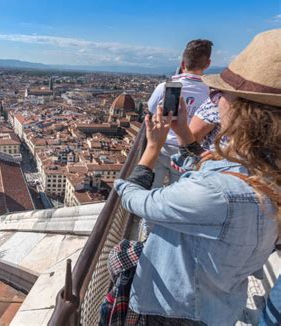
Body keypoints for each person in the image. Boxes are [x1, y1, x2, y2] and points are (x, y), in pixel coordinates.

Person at [113, 29, 280, 325]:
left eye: (218, 95)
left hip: (176, 309)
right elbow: (211, 169)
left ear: (244, 109)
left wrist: (145, 156)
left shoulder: (219, 192)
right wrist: (183, 134)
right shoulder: (265, 171)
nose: (214, 102)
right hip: (220, 304)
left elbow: (140, 200)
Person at [148, 39, 213, 187]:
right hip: (189, 152)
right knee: (178, 193)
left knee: (151, 189)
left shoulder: (164, 87)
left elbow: (152, 109)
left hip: (161, 147)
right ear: (208, 64)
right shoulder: (211, 93)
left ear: (182, 64)